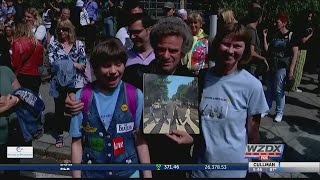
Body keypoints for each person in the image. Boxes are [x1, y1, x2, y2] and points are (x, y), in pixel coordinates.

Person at [65, 17, 194, 178]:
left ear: (183, 50)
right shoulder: (137, 74)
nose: (166, 55)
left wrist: (193, 139)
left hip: (175, 163)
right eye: (161, 49)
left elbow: (204, 123)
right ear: (154, 47)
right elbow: (104, 84)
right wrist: (71, 97)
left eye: (173, 50)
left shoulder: (192, 82)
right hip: (140, 161)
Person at [192, 22, 269, 178]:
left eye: (237, 46)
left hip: (234, 170)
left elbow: (253, 134)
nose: (231, 51)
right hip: (201, 170)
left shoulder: (252, 85)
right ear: (217, 45)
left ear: (245, 49)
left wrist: (258, 166)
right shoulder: (201, 79)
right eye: (226, 44)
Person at [70, 38, 152, 178]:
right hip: (92, 173)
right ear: (95, 68)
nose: (113, 71)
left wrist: (147, 175)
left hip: (128, 173)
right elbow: (77, 143)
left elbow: (140, 140)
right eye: (106, 65)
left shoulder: (135, 95)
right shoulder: (82, 97)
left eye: (118, 64)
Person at [48, 19, 87, 148]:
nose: (61, 31)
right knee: (59, 109)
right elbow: (53, 64)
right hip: (59, 82)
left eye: (64, 29)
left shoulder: (79, 44)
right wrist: (74, 64)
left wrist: (66, 64)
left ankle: (78, 134)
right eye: (59, 29)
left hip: (76, 82)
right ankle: (59, 134)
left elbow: (83, 64)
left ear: (69, 30)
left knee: (77, 109)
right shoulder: (54, 45)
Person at [262, 13, 299, 122]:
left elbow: (295, 55)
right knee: (269, 89)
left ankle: (279, 112)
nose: (275, 23)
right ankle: (266, 108)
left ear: (284, 23)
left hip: (282, 66)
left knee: (279, 90)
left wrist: (291, 70)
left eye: (277, 22)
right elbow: (267, 50)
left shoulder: (291, 35)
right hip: (271, 65)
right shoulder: (274, 34)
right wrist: (264, 37)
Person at [11, 22, 43, 95]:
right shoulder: (37, 43)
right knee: (33, 100)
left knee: (22, 101)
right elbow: (40, 62)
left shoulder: (17, 43)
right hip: (35, 76)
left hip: (22, 75)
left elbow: (15, 64)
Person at [0, 66, 21, 178]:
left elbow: (21, 94)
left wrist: (16, 99)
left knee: (13, 172)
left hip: (13, 134)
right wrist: (8, 105)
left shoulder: (6, 71)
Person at [291, 11, 316, 92]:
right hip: (301, 49)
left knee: (298, 67)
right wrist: (310, 35)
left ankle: (293, 85)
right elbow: (303, 40)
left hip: (301, 48)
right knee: (298, 68)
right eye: (309, 16)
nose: (310, 18)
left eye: (311, 17)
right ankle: (294, 86)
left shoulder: (302, 25)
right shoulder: (304, 26)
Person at [244, 7, 269, 78]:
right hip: (251, 66)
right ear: (259, 18)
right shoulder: (251, 31)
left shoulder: (247, 28)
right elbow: (251, 52)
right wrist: (263, 58)